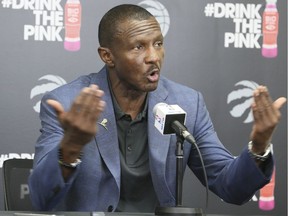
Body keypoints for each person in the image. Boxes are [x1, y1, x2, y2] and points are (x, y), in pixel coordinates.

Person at [28, 4, 286, 213]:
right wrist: (70, 147)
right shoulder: (66, 102)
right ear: (107, 56)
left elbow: (231, 187)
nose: (153, 56)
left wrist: (259, 146)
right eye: (139, 47)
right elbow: (40, 199)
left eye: (158, 44)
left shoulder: (187, 102)